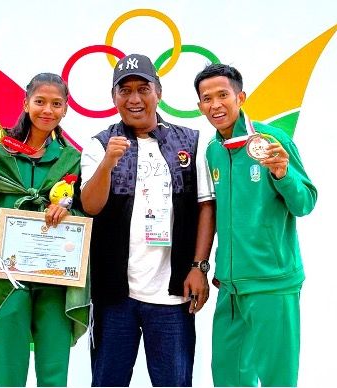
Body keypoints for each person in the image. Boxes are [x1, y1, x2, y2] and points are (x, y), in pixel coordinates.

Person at [81, 54, 215, 387]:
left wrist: (199, 266)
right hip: (115, 295)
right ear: (114, 97)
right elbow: (91, 206)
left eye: (143, 89)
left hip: (172, 295)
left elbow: (205, 207)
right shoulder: (99, 145)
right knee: (107, 381)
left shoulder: (191, 141)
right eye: (124, 91)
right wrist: (108, 162)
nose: (135, 99)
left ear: (159, 91)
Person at [0, 73, 89, 387]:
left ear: (65, 109)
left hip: (55, 275)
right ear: (25, 104)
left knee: (54, 369)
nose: (48, 110)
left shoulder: (72, 159)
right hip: (9, 273)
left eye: (56, 104)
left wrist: (67, 209)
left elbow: (83, 210)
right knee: (8, 369)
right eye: (40, 101)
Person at [193, 63, 317, 387]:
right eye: (207, 98)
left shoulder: (272, 140)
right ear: (199, 106)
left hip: (271, 283)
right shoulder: (212, 151)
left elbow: (304, 203)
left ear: (241, 96)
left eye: (223, 95)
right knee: (228, 377)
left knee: (278, 380)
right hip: (230, 287)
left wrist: (282, 174)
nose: (216, 105)